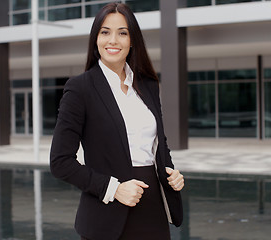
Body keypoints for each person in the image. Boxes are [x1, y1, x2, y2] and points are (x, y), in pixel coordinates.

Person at [50, 3, 184, 240]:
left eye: (122, 32)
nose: (113, 40)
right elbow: (60, 162)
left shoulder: (148, 86)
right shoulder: (80, 88)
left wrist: (171, 173)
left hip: (153, 212)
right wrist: (114, 189)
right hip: (107, 215)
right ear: (96, 39)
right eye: (105, 32)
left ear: (132, 40)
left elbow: (158, 144)